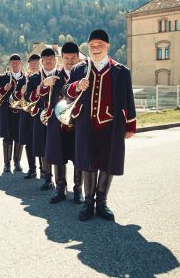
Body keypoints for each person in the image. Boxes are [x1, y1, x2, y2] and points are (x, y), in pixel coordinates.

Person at [63, 29, 136, 221]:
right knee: (88, 164)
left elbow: (129, 99)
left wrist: (130, 125)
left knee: (107, 163)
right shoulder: (79, 69)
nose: (95, 49)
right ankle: (88, 203)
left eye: (100, 46)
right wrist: (76, 86)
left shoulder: (120, 71)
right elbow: (65, 92)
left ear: (108, 47)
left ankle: (102, 203)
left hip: (111, 126)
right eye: (92, 46)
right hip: (85, 126)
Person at [41, 42, 83, 204]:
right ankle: (60, 189)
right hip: (58, 125)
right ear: (62, 58)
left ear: (78, 58)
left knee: (79, 157)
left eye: (73, 58)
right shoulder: (55, 77)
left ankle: (78, 190)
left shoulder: (83, 75)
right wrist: (45, 84)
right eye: (67, 58)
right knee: (59, 157)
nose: (70, 61)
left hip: (78, 124)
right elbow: (42, 96)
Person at [25, 48, 57, 190]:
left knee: (57, 147)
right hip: (39, 116)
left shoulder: (60, 75)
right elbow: (27, 98)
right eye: (46, 60)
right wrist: (39, 89)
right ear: (42, 62)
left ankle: (60, 181)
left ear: (55, 61)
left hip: (56, 116)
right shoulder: (34, 78)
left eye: (51, 59)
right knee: (43, 146)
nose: (49, 62)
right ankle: (46, 177)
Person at [0, 54, 24, 173]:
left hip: (21, 112)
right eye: (13, 63)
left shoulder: (25, 78)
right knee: (7, 138)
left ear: (21, 64)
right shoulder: (3, 77)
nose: (15, 65)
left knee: (20, 138)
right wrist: (4, 89)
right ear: (10, 64)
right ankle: (7, 164)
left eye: (17, 63)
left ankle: (17, 162)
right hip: (7, 113)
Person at [11, 53, 40, 179]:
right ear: (28, 64)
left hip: (38, 113)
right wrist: (20, 92)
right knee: (28, 142)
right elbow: (14, 98)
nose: (33, 65)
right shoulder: (23, 79)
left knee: (41, 142)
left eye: (36, 62)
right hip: (26, 114)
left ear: (39, 63)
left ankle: (44, 171)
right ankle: (32, 169)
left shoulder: (42, 77)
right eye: (31, 63)